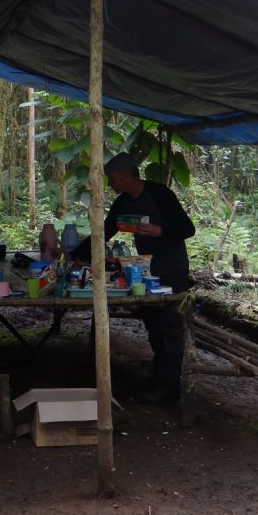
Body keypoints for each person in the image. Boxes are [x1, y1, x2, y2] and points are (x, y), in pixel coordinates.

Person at [75, 152, 195, 404]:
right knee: (152, 322)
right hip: (146, 269)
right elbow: (104, 232)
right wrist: (76, 254)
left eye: (112, 179)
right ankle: (159, 377)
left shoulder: (160, 194)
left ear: (124, 175)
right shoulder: (123, 203)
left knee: (170, 326)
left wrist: (160, 230)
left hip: (172, 270)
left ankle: (171, 386)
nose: (110, 184)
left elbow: (187, 228)